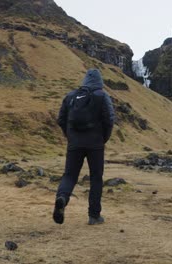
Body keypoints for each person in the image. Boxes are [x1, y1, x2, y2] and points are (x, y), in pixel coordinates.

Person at [53, 69, 115, 225]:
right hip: (95, 144)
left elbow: (61, 119)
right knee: (96, 178)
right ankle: (94, 216)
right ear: (100, 82)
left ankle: (62, 198)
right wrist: (103, 138)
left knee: (70, 175)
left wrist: (71, 137)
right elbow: (109, 120)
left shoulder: (71, 96)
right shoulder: (102, 96)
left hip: (74, 143)